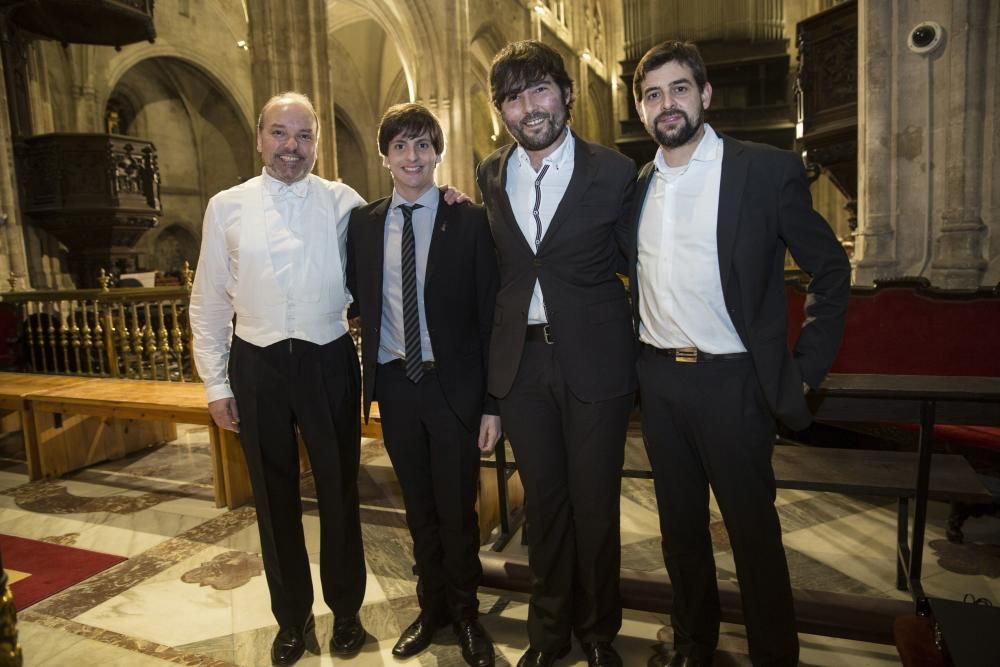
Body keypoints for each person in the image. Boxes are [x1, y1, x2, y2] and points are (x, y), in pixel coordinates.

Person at [629, 41, 851, 666]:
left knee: (753, 535)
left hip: (734, 384)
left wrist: (803, 368)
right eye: (652, 95)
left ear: (704, 95)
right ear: (642, 110)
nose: (665, 104)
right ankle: (695, 643)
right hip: (660, 384)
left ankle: (774, 655)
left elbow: (831, 271)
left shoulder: (764, 170)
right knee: (679, 531)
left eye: (678, 89)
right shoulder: (638, 185)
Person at [189, 91, 370, 667]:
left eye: (304, 136)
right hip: (258, 362)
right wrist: (216, 384)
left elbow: (397, 242)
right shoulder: (226, 206)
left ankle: (346, 613)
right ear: (260, 138)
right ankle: (291, 620)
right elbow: (209, 300)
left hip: (328, 356)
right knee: (273, 500)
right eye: (280, 134)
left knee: (341, 491)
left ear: (318, 142)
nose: (292, 147)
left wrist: (444, 197)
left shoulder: (346, 203)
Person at [476, 41, 637, 667]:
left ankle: (597, 634)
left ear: (565, 93)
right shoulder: (491, 176)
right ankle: (548, 635)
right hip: (523, 365)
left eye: (539, 89)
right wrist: (491, 390)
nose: (529, 107)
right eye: (513, 97)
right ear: (500, 112)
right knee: (543, 506)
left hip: (596, 359)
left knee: (595, 503)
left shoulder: (615, 171)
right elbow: (496, 280)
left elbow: (639, 266)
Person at [345, 103, 499, 667]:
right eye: (400, 147)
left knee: (457, 509)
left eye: (423, 146)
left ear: (437, 153)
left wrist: (491, 403)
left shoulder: (469, 220)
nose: (412, 157)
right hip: (396, 383)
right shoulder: (363, 224)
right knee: (418, 509)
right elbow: (354, 296)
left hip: (452, 388)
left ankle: (466, 614)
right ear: (385, 156)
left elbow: (488, 316)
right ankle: (429, 607)